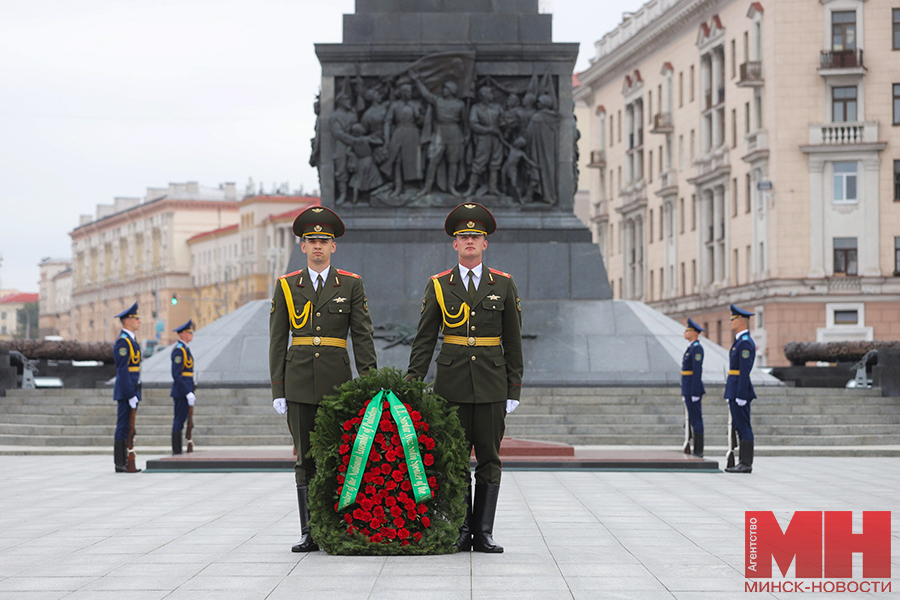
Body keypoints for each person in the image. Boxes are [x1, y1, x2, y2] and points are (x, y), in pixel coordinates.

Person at [407, 202, 524, 554]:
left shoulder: (502, 284)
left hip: (491, 384)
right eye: (463, 237)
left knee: (489, 459)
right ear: (454, 244)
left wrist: (513, 386)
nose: (469, 241)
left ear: (485, 243)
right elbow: (425, 338)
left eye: (476, 236)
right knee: (455, 459)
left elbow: (514, 339)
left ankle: (484, 531)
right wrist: (413, 381)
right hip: (452, 386)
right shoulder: (439, 285)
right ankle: (461, 529)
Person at [269, 205, 377, 552]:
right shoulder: (287, 286)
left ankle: (339, 526)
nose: (317, 247)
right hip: (298, 383)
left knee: (341, 457)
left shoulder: (351, 284)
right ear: (302, 246)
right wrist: (278, 388)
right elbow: (276, 340)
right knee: (305, 459)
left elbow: (362, 337)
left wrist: (369, 383)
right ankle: (309, 531)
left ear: (334, 247)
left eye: (324, 241)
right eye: (311, 240)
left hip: (338, 386)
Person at [724, 304, 756, 474]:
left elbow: (744, 371)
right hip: (735, 388)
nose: (730, 322)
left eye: (732, 319)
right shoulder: (739, 342)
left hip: (739, 390)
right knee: (738, 425)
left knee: (744, 426)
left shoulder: (745, 343)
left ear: (741, 321)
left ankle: (746, 463)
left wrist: (741, 394)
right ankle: (741, 461)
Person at [112, 302, 141, 473]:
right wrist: (130, 394)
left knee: (129, 426)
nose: (139, 321)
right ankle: (120, 462)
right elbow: (122, 370)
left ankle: (126, 459)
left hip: (133, 389)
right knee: (122, 425)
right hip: (126, 391)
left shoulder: (131, 340)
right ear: (128, 321)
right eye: (136, 319)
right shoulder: (123, 342)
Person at [170, 319, 196, 455]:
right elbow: (176, 374)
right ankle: (177, 449)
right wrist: (187, 392)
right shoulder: (179, 351)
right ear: (182, 334)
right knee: (179, 421)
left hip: (186, 390)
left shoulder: (185, 349)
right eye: (189, 332)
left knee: (183, 420)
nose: (191, 334)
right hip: (181, 392)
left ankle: (179, 448)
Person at [681, 318, 706, 457]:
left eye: (687, 330)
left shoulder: (697, 348)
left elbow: (697, 371)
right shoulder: (691, 348)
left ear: (694, 333)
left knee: (696, 419)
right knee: (691, 418)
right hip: (688, 387)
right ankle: (693, 446)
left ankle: (698, 450)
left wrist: (695, 391)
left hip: (692, 388)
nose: (685, 332)